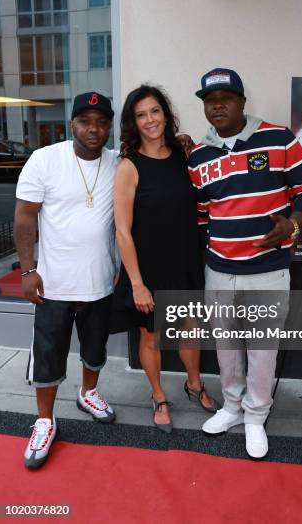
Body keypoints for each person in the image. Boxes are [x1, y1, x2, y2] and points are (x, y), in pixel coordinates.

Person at [188, 68, 302, 459]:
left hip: (267, 270)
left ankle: (255, 416)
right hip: (219, 270)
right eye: (210, 101)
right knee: (227, 347)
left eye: (226, 98)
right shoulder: (198, 156)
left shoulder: (278, 139)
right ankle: (231, 406)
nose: (218, 106)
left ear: (243, 101)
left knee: (262, 350)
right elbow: (201, 216)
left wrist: (294, 224)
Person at [14, 92, 117, 470]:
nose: (94, 129)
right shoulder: (45, 160)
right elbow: (25, 217)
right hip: (53, 285)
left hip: (101, 282)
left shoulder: (118, 163)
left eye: (102, 122)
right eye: (86, 121)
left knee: (95, 348)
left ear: (110, 126)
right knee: (48, 355)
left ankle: (88, 393)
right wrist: (27, 270)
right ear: (72, 123)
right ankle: (44, 420)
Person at [110, 85, 220, 433]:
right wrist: (138, 284)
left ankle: (194, 384)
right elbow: (122, 232)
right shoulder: (129, 166)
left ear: (165, 114)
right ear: (133, 122)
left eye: (155, 111)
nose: (150, 120)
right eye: (141, 115)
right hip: (149, 270)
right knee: (151, 338)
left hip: (186, 262)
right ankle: (158, 396)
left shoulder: (184, 154)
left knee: (191, 331)